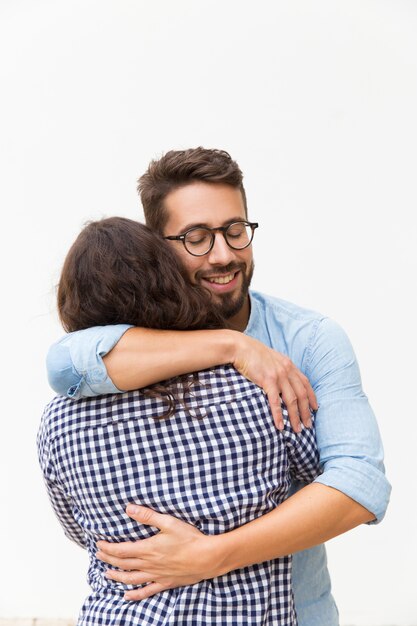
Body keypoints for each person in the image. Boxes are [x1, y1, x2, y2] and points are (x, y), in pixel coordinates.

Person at [46, 148, 391, 626]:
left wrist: (210, 555)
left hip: (294, 612)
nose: (224, 254)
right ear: (157, 246)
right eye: (196, 238)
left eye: (235, 230)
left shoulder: (310, 338)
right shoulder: (142, 346)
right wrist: (232, 346)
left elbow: (359, 485)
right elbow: (65, 365)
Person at [38, 216, 321, 625]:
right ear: (169, 282)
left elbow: (80, 533)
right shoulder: (257, 388)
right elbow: (320, 479)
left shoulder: (56, 422)